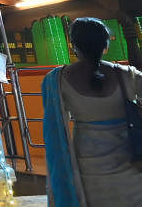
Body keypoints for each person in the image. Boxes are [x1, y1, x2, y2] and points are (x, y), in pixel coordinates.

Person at [42, 16, 142, 205]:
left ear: (74, 46)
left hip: (87, 168)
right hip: (131, 163)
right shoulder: (126, 75)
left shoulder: (57, 80)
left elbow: (53, 128)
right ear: (105, 45)